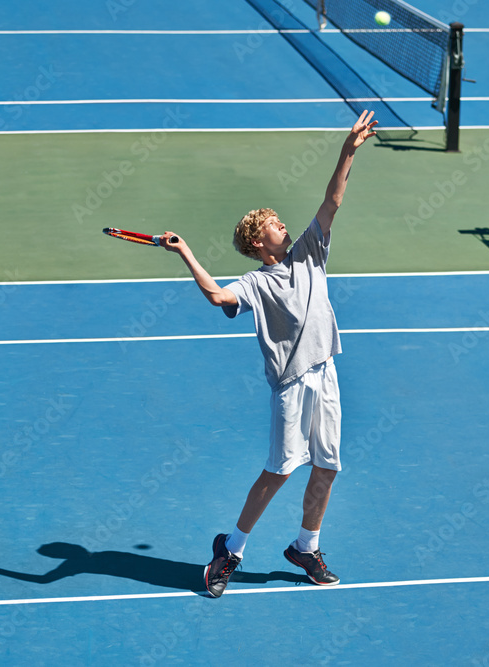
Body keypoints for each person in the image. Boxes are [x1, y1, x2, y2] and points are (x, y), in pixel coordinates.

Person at [159, 110, 378, 597]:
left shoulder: (310, 252)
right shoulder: (257, 283)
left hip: (327, 374)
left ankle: (306, 546)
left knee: (327, 466)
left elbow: (333, 200)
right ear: (260, 242)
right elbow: (218, 297)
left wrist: (349, 149)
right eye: (276, 223)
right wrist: (186, 252)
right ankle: (230, 550)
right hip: (292, 385)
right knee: (280, 469)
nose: (285, 224)